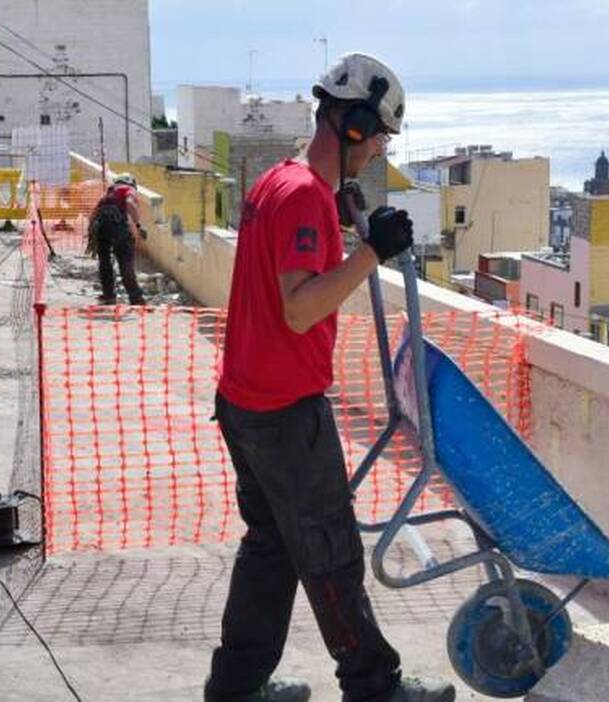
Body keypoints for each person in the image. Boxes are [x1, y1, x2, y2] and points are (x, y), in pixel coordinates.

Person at [204, 53, 456, 702]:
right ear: (352, 127)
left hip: (244, 400)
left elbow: (287, 266)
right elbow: (300, 307)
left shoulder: (279, 182)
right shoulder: (304, 198)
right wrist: (372, 252)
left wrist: (343, 230)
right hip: (286, 413)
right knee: (331, 556)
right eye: (379, 137)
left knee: (272, 551)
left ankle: (235, 689)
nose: (379, 152)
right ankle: (375, 689)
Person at [87, 173, 148, 305]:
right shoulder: (128, 189)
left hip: (101, 227)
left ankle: (109, 295)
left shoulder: (109, 192)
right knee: (125, 261)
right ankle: (135, 297)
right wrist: (138, 225)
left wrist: (92, 233)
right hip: (118, 227)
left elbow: (94, 212)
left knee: (105, 262)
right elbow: (130, 203)